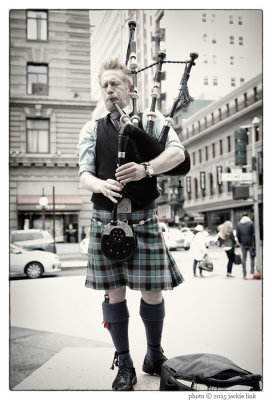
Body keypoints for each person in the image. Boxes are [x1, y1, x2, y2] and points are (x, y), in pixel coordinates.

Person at [77, 58, 186, 391]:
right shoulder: (91, 128)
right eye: (105, 85)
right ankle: (124, 363)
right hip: (107, 219)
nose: (110, 90)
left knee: (152, 293)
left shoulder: (153, 122)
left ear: (131, 88)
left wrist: (146, 169)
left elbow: (178, 155)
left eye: (116, 84)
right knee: (114, 295)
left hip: (143, 217)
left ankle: (154, 354)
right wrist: (100, 185)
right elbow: (83, 174)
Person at [236, 213, 255, 279]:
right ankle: (252, 272)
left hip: (243, 243)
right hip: (250, 243)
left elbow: (237, 234)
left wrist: (240, 241)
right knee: (252, 257)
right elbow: (253, 233)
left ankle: (244, 274)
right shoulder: (251, 223)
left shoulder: (239, 224)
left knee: (244, 259)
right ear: (248, 216)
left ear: (242, 216)